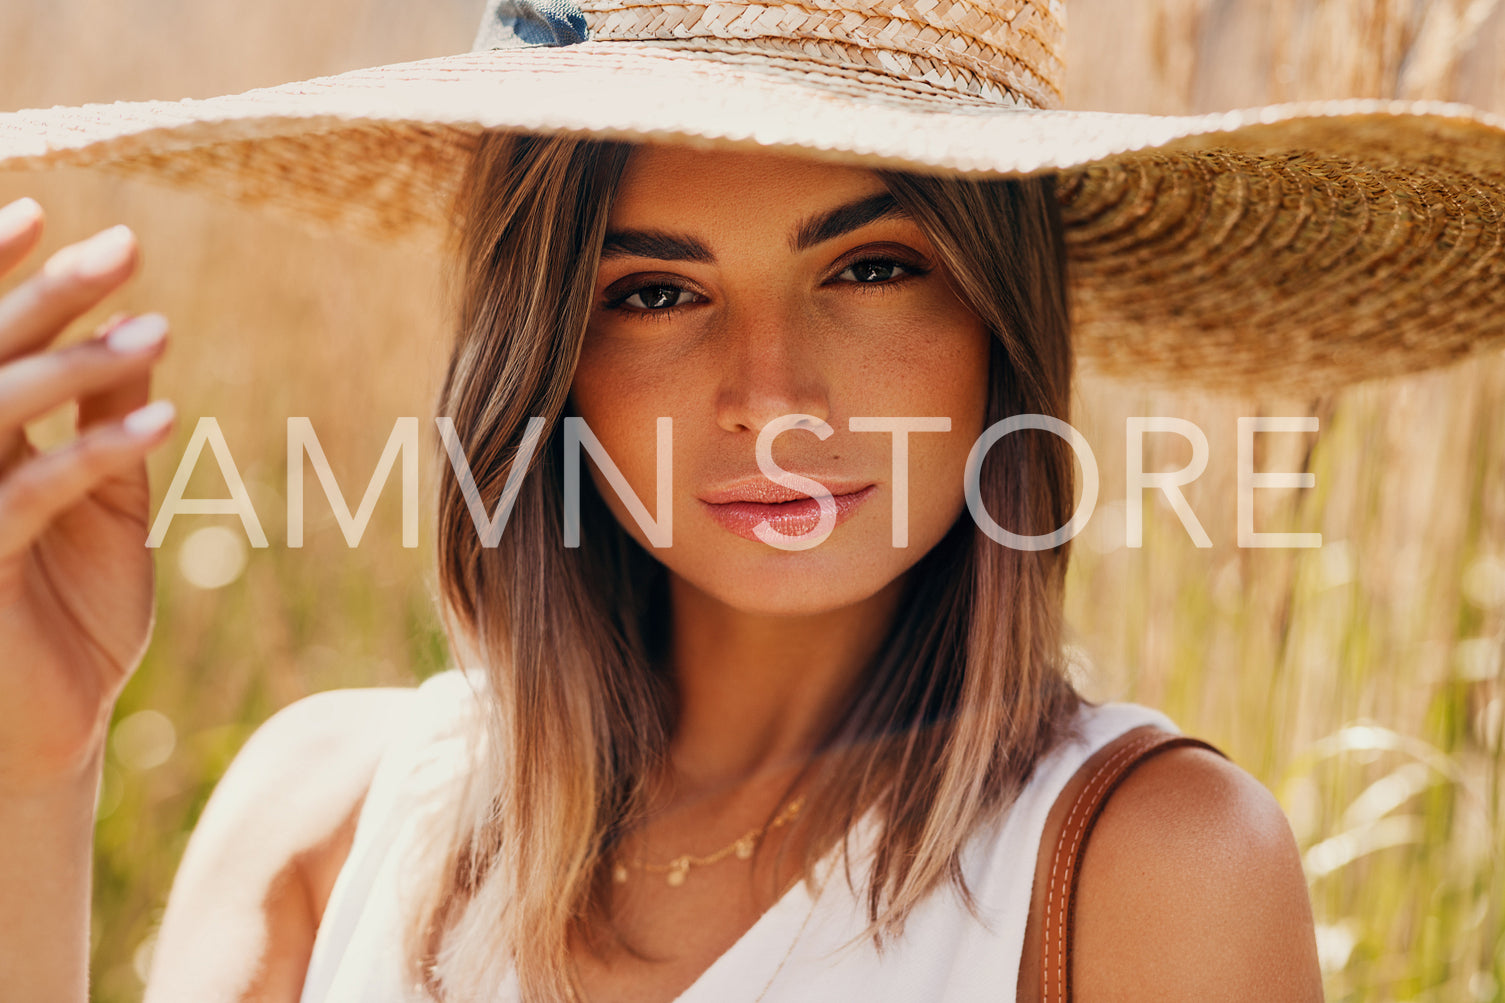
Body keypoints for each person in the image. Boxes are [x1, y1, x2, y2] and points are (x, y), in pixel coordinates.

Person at [3, 1, 1502, 1000]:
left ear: (1001, 324)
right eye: (654, 291)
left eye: (869, 266)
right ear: (547, 359)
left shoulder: (1138, 869)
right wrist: (35, 770)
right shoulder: (326, 821)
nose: (773, 396)